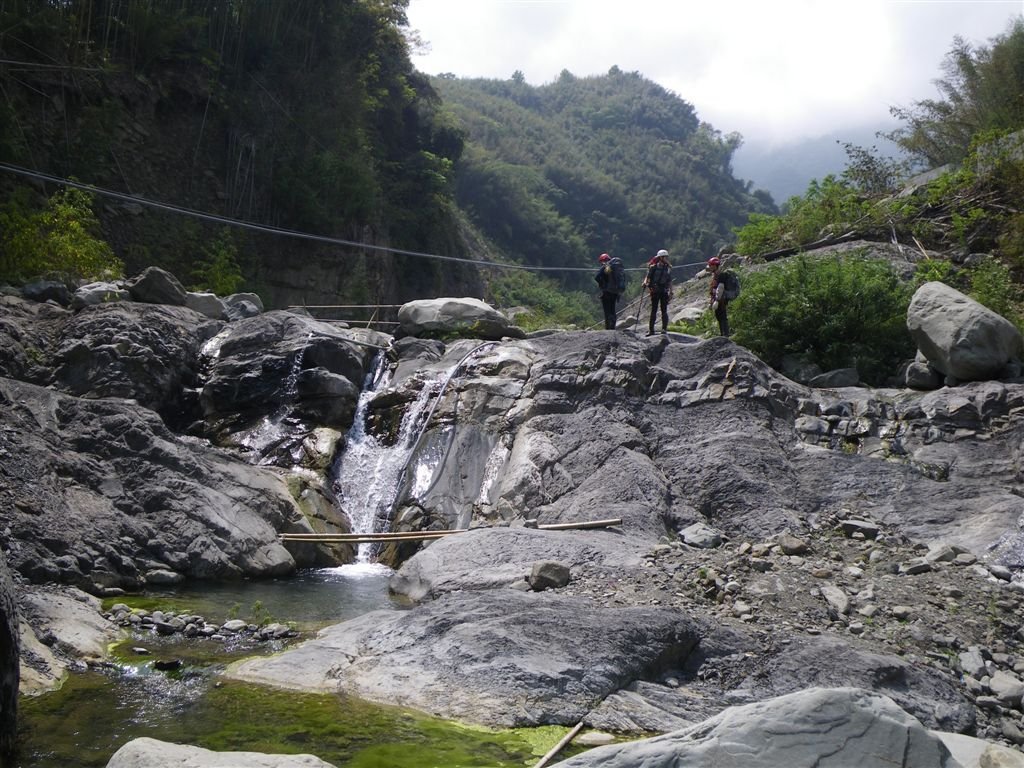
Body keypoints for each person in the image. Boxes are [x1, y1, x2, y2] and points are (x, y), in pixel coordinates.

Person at [643, 249, 672, 335]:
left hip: (663, 291)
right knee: (654, 310)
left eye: (666, 257)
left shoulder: (668, 268)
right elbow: (648, 277)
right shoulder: (653, 267)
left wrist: (671, 291)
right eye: (665, 257)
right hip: (655, 291)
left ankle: (664, 329)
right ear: (660, 258)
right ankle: (651, 330)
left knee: (664, 310)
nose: (666, 258)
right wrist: (645, 283)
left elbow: (669, 281)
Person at [706, 255, 735, 337]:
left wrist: (717, 300)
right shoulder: (715, 275)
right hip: (717, 300)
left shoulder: (721, 275)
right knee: (718, 316)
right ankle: (723, 334)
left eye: (711, 265)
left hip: (721, 300)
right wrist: (712, 301)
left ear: (715, 266)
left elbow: (720, 288)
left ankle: (725, 335)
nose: (710, 267)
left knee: (722, 316)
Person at [594, 252, 624, 329]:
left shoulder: (605, 266)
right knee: (612, 309)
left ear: (602, 260)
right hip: (615, 292)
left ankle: (608, 327)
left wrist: (602, 285)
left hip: (606, 291)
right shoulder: (616, 267)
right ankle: (613, 326)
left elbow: (597, 277)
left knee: (607, 310)